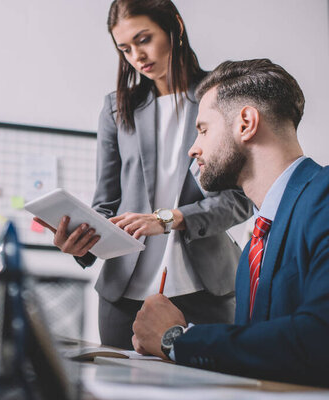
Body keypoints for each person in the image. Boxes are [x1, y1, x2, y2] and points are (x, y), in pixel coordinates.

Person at [34, 0, 252, 350]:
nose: (137, 55)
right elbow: (105, 205)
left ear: (175, 27)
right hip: (124, 298)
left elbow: (240, 201)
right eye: (125, 48)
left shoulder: (221, 99)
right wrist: (81, 243)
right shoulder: (117, 108)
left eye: (144, 39)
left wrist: (168, 219)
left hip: (207, 293)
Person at [132, 58, 329, 387]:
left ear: (246, 124)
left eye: (204, 130)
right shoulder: (253, 245)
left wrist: (175, 339)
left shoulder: (323, 198)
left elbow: (319, 340)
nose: (194, 149)